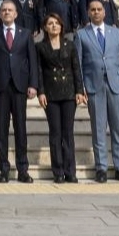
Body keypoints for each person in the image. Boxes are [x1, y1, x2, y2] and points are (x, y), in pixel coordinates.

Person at [75, 0, 119, 183]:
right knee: (98, 129)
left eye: (99, 9)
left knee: (117, 128)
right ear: (88, 13)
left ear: (105, 12)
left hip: (116, 86)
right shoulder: (81, 34)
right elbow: (78, 64)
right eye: (92, 9)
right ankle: (101, 167)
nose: (96, 12)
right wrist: (81, 87)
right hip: (94, 87)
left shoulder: (116, 33)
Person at [0, 0, 39, 183]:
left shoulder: (26, 34)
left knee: (20, 128)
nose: (7, 12)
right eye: (3, 10)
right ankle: (4, 169)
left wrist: (33, 84)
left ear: (16, 14)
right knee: (1, 130)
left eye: (10, 10)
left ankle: (23, 169)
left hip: (20, 86)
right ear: (0, 14)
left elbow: (32, 60)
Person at [36, 12, 84, 183]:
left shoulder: (69, 45)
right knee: (55, 133)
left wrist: (80, 90)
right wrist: (40, 92)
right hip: (50, 94)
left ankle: (70, 171)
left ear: (61, 26)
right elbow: (39, 71)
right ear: (45, 27)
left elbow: (76, 68)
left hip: (69, 92)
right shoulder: (40, 47)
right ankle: (58, 171)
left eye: (56, 23)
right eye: (50, 23)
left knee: (67, 133)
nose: (54, 26)